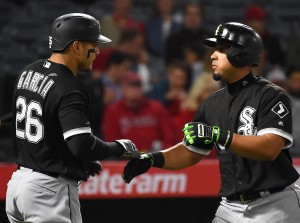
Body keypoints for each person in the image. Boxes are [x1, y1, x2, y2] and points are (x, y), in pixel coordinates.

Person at [122, 22, 300, 222]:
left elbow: (270, 148)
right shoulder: (211, 103)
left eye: (222, 49)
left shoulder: (270, 95)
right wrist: (153, 159)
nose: (213, 55)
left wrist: (217, 134)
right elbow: (190, 152)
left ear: (241, 53)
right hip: (230, 207)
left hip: (275, 203)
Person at [5, 13, 140, 223]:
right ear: (76, 47)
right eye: (92, 45)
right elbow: (80, 144)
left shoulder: (28, 71)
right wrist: (118, 148)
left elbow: (30, 119)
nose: (97, 51)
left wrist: (78, 160)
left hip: (17, 186)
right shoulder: (69, 85)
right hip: (48, 192)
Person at [102, 72, 175, 152]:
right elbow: (112, 143)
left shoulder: (157, 108)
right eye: (131, 86)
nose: (135, 90)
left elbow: (169, 139)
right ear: (123, 89)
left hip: (155, 159)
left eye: (138, 86)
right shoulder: (113, 111)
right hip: (125, 160)